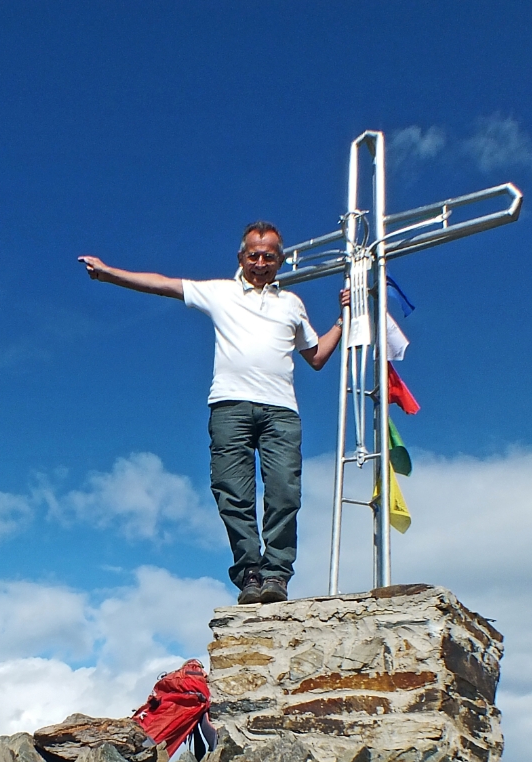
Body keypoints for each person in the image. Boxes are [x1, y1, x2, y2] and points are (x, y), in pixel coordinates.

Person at [78, 222, 348, 604]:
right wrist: (110, 274)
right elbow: (163, 284)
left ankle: (276, 575)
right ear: (241, 257)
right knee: (232, 492)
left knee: (284, 491)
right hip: (230, 405)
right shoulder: (219, 293)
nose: (260, 262)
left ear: (279, 261)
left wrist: (342, 320)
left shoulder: (291, 304)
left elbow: (316, 356)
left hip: (280, 410)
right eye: (253, 254)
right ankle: (250, 572)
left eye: (268, 256)